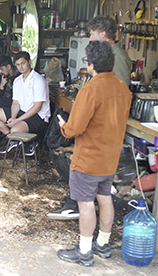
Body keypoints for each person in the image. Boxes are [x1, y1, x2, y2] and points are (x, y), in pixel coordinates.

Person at [48, 15, 132, 220]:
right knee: (99, 191)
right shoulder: (109, 56)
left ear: (103, 34)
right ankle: (80, 209)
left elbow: (113, 93)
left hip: (101, 133)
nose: (91, 38)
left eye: (92, 34)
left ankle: (77, 208)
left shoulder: (116, 56)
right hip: (100, 132)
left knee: (90, 180)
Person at [56, 41, 132, 266]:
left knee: (86, 203)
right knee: (105, 197)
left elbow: (75, 129)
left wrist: (63, 124)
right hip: (110, 158)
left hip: (88, 158)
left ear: (91, 65)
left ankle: (85, 251)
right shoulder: (123, 88)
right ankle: (103, 244)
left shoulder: (89, 90)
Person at [0, 52, 50, 157]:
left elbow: (37, 107)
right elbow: (15, 103)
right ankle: (12, 139)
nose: (21, 67)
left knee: (15, 129)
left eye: (23, 63)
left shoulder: (38, 80)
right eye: (18, 64)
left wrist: (17, 121)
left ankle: (16, 139)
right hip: (22, 111)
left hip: (38, 116)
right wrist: (13, 117)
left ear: (29, 62)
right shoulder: (17, 80)